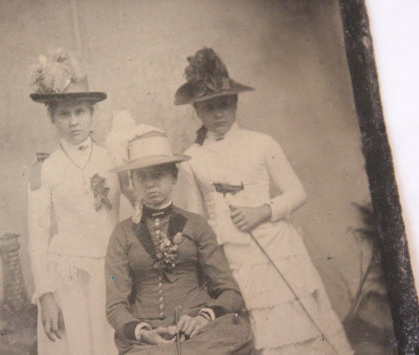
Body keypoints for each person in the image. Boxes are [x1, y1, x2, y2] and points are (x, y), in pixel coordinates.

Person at [174, 48, 354, 354]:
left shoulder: (261, 143)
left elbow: (298, 192)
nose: (218, 114)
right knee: (257, 331)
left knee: (301, 326)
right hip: (232, 257)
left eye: (225, 105)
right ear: (196, 110)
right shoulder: (192, 157)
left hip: (277, 246)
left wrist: (263, 211)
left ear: (235, 103)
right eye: (209, 107)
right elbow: (195, 218)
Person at [105, 129, 255, 354]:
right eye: (142, 177)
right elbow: (116, 304)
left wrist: (202, 319)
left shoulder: (196, 225)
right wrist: (145, 333)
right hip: (149, 338)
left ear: (174, 176)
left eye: (158, 175)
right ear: (132, 182)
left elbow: (230, 291)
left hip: (201, 331)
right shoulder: (123, 233)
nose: (151, 184)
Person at [28, 52, 119, 355]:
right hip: (67, 279)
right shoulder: (47, 168)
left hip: (108, 273)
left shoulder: (111, 159)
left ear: (92, 113)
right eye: (64, 114)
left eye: (80, 111)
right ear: (52, 117)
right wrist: (46, 295)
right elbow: (37, 236)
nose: (73, 122)